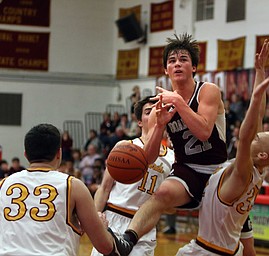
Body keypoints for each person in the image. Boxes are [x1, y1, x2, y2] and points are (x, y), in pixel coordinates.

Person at [109, 33, 228, 254]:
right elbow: (149, 157)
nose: (177, 63)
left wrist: (179, 103)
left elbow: (203, 132)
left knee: (236, 237)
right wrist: (159, 126)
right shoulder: (159, 107)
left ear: (193, 67)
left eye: (183, 59)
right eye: (172, 61)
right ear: (166, 70)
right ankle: (126, 240)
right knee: (161, 194)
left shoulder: (207, 90)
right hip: (188, 168)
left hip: (219, 170)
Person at [176, 41, 269, 255]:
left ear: (262, 154)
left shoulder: (244, 172)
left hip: (209, 251)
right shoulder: (257, 169)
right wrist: (260, 72)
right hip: (227, 248)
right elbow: (259, 115)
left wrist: (254, 99)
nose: (262, 132)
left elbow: (245, 137)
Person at [0, 123, 123, 256]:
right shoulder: (73, 185)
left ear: (26, 154)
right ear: (59, 153)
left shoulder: (3, 184)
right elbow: (104, 247)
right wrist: (104, 229)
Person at [91, 96, 174, 256]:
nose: (154, 114)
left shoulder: (172, 158)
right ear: (140, 122)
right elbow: (105, 187)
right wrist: (94, 219)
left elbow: (170, 205)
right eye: (148, 111)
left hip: (144, 226)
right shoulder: (124, 147)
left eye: (158, 110)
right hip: (113, 218)